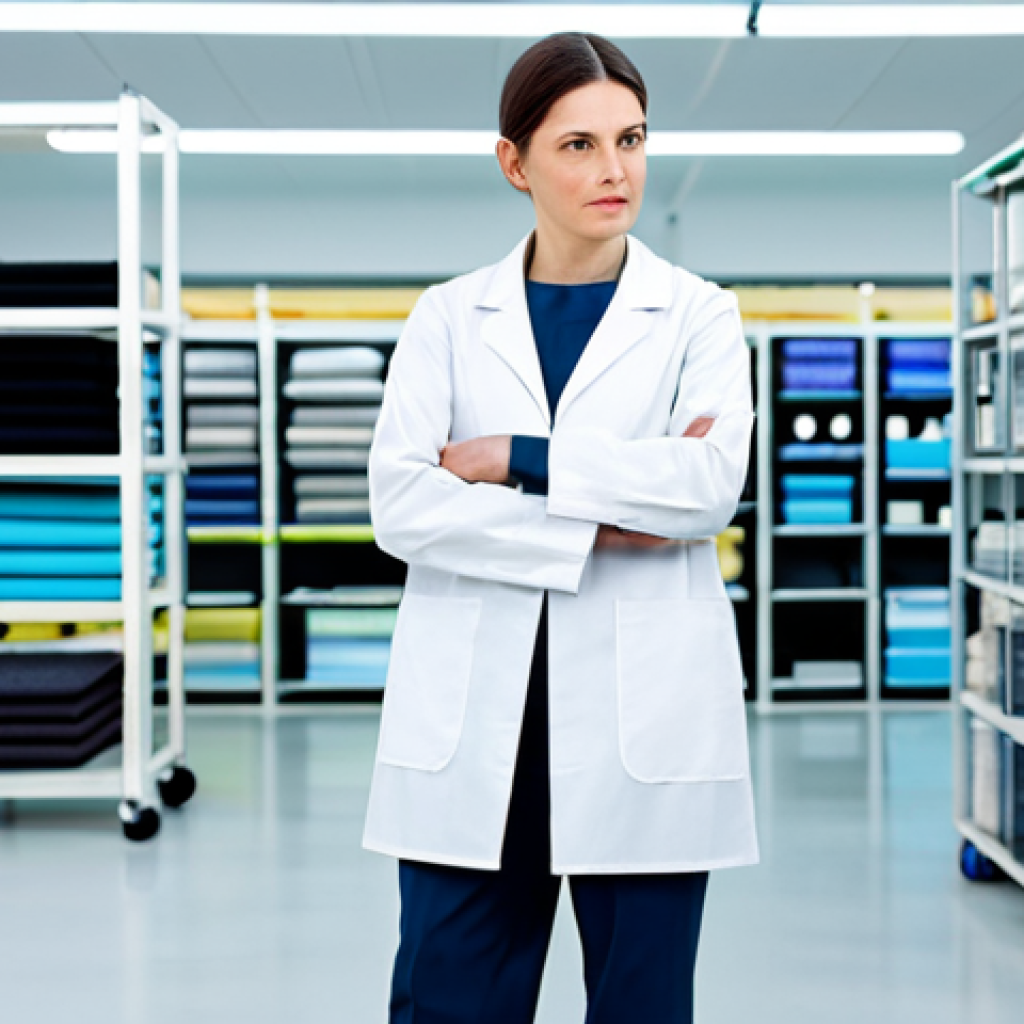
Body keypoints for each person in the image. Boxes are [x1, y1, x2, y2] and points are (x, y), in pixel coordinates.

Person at [363, 31, 758, 1024]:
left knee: (641, 1006)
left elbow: (706, 485)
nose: (613, 168)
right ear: (514, 162)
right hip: (476, 734)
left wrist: (512, 458)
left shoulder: (698, 315)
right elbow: (402, 503)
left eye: (629, 138)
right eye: (577, 144)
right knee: (447, 1003)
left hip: (645, 726)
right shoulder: (448, 318)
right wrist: (595, 529)